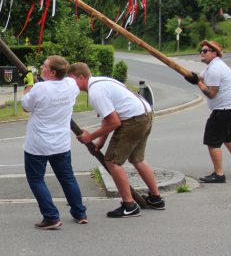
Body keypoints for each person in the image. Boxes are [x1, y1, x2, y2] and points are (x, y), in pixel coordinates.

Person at [68, 62, 165, 218]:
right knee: (137, 158)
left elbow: (114, 122)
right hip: (145, 114)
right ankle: (156, 198)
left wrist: (90, 137)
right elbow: (108, 119)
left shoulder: (95, 93)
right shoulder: (102, 82)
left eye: (71, 80)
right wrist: (101, 141)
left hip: (133, 120)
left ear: (81, 77)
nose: (69, 84)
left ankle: (129, 205)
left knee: (112, 161)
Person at [21, 56, 87, 229]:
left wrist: (28, 85)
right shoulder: (70, 85)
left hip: (38, 143)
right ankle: (79, 212)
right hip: (61, 142)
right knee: (67, 177)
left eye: (44, 66)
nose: (41, 67)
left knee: (35, 179)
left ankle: (51, 216)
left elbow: (25, 106)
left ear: (52, 72)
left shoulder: (39, 88)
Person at [185, 40, 231, 183]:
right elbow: (199, 77)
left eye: (205, 51)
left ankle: (219, 174)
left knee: (212, 141)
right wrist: (190, 76)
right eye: (201, 51)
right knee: (228, 139)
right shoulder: (212, 66)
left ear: (215, 53)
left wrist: (197, 83)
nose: (201, 53)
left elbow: (211, 93)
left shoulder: (215, 69)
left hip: (225, 110)